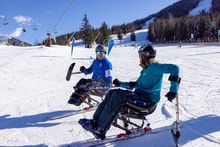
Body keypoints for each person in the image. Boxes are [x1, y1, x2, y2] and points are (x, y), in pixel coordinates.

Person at [78, 45, 181, 139]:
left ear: (146, 55)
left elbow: (175, 68)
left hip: (148, 101)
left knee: (117, 96)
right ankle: (95, 122)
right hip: (139, 96)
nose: (139, 58)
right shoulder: (145, 70)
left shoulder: (155, 66)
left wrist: (173, 90)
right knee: (111, 93)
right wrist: (120, 84)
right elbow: (135, 84)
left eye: (140, 55)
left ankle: (100, 128)